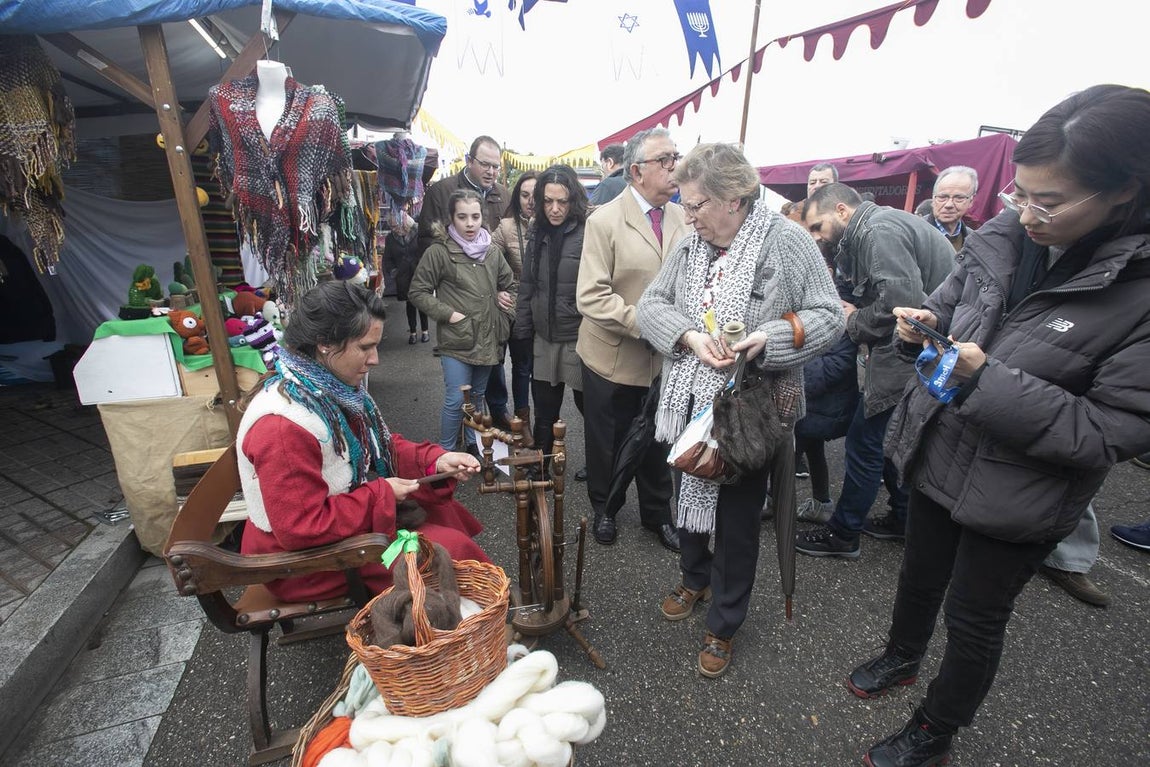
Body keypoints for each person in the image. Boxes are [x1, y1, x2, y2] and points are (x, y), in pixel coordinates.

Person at [851, 84, 1150, 767]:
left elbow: (1112, 430)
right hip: (940, 443)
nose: (1028, 212)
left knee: (975, 618)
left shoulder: (1139, 290)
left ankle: (935, 729)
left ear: (1123, 193)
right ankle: (901, 653)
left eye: (1051, 200)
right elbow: (947, 303)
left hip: (1023, 491)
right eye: (1020, 191)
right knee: (918, 575)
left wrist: (986, 381)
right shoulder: (1004, 233)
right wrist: (916, 329)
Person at [637, 142, 843, 678]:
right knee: (689, 490)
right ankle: (694, 575)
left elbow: (829, 315)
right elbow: (651, 305)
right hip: (688, 400)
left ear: (734, 198)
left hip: (754, 410)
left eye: (697, 204)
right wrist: (686, 335)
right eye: (684, 204)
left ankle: (724, 623)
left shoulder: (789, 242)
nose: (688, 215)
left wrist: (768, 339)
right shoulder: (690, 246)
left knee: (737, 520)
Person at [237, 281, 488, 603]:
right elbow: (301, 527)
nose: (375, 360)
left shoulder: (322, 389)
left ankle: (462, 620)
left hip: (327, 539)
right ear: (325, 344)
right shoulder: (284, 426)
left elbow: (374, 447)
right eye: (366, 347)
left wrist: (435, 460)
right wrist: (381, 494)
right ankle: (464, 631)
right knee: (443, 553)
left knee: (444, 514)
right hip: (307, 564)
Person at [795, 183, 953, 558]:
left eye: (818, 227)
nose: (816, 238)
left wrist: (853, 321)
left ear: (841, 211)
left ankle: (844, 533)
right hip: (916, 351)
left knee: (864, 441)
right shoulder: (869, 230)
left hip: (914, 350)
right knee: (886, 439)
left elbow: (905, 306)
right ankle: (901, 518)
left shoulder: (878, 231)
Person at [577, 127, 686, 552]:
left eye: (675, 156)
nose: (674, 166)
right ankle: (605, 509)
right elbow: (592, 296)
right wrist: (651, 325)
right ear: (637, 171)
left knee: (660, 439)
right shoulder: (603, 220)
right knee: (608, 439)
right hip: (613, 356)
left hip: (665, 359)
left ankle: (657, 514)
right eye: (665, 160)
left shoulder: (682, 217)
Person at [409, 189, 516, 451]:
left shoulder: (491, 252)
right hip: (457, 339)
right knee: (457, 399)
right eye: (462, 217)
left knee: (477, 398)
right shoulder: (440, 252)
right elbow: (417, 291)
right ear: (451, 218)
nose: (470, 223)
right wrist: (449, 314)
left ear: (483, 218)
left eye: (475, 216)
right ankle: (445, 453)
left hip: (487, 336)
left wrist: (505, 302)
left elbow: (510, 285)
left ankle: (472, 444)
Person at [417, 135, 512, 422]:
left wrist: (500, 291)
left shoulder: (503, 195)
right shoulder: (442, 191)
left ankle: (496, 413)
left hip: (492, 299)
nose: (491, 172)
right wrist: (447, 292)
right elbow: (426, 243)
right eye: (485, 164)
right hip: (459, 299)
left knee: (493, 360)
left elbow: (505, 247)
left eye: (496, 166)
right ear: (469, 161)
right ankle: (458, 439)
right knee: (460, 389)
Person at [515, 165, 588, 461]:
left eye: (562, 201)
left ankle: (599, 472)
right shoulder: (537, 231)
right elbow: (528, 284)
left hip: (579, 338)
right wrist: (522, 330)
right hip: (544, 337)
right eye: (548, 201)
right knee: (544, 412)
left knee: (591, 411)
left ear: (573, 200)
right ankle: (542, 467)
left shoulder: (588, 232)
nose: (555, 209)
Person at [492, 171, 538, 444]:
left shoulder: (550, 224)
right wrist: (496, 289)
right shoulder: (506, 227)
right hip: (506, 304)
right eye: (524, 195)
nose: (530, 201)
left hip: (533, 308)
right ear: (517, 196)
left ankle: (523, 424)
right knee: (494, 363)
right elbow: (487, 259)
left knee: (523, 368)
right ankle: (496, 415)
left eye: (535, 195)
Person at [382, 208, 429, 345]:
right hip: (403, 276)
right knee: (410, 304)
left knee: (422, 303)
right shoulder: (390, 238)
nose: (393, 229)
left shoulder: (419, 232)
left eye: (395, 226)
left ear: (404, 223)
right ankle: (413, 332)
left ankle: (425, 331)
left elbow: (427, 250)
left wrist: (427, 268)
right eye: (391, 227)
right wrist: (394, 271)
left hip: (419, 273)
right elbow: (387, 258)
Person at [926, 166, 979, 251]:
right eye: (943, 197)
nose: (949, 204)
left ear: (971, 201)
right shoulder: (914, 233)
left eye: (958, 198)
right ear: (933, 198)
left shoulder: (975, 241)